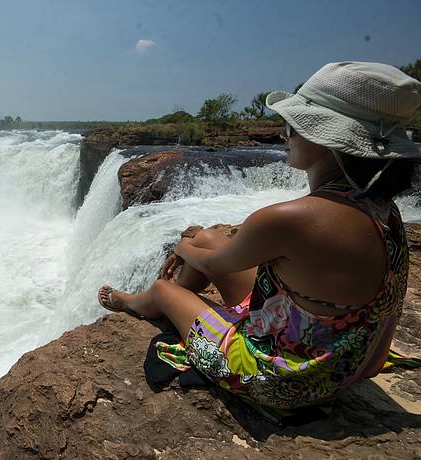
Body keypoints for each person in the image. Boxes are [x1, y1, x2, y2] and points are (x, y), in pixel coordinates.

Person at [97, 61, 421, 410]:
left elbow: (210, 262)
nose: (285, 134)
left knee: (165, 287)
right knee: (207, 237)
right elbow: (216, 253)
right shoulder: (380, 208)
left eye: (294, 125)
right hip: (348, 360)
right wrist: (196, 244)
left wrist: (181, 246)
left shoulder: (290, 219)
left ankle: (139, 304)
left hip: (287, 379)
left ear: (327, 140)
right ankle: (181, 310)